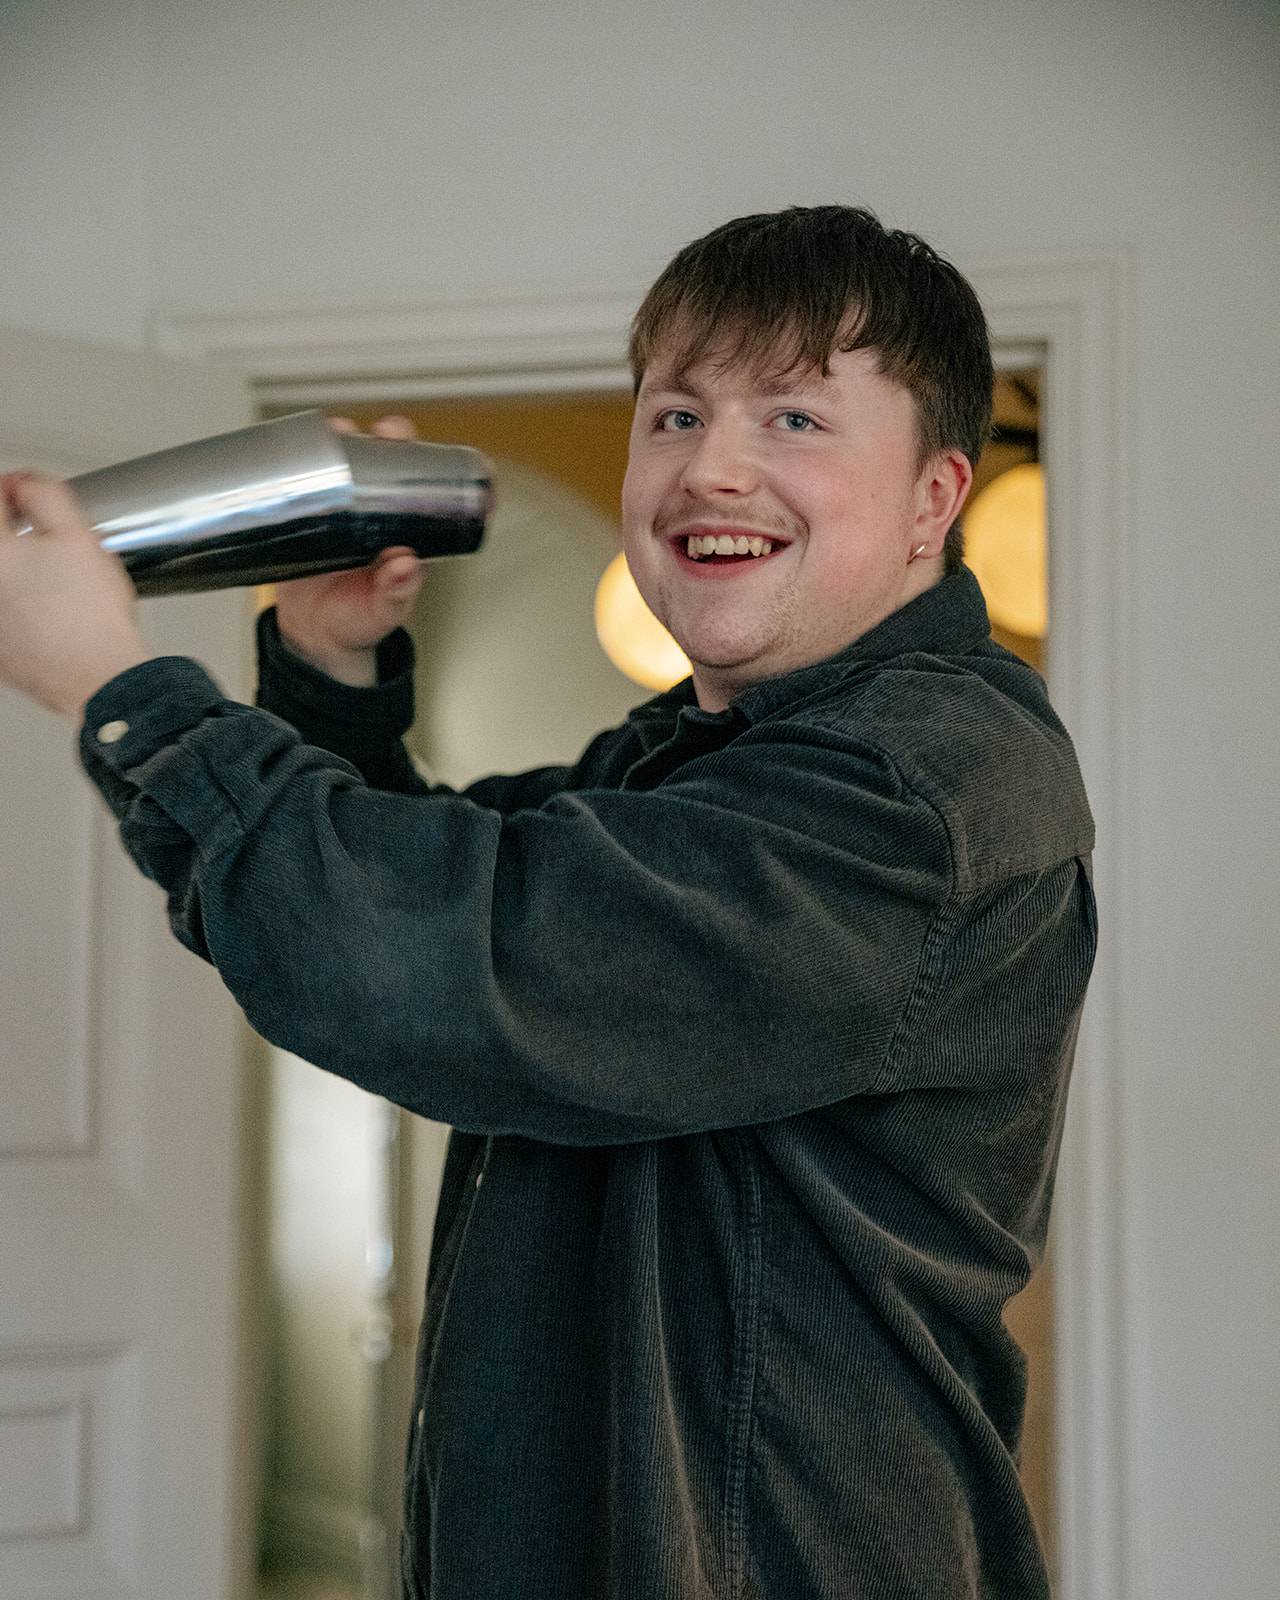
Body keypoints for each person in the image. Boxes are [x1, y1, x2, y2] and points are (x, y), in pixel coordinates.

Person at [0, 205, 1097, 1599]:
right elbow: (428, 885)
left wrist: (119, 690)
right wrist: (333, 667)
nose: (714, 468)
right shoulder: (694, 760)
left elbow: (451, 965)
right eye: (676, 415)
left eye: (796, 419)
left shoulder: (921, 785)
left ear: (936, 499)